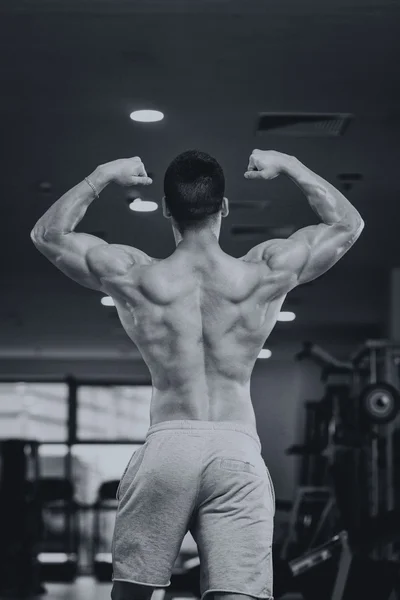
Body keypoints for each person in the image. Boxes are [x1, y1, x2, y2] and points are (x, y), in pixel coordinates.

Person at [31, 149, 364, 600]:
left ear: (167, 207)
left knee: (132, 595)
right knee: (236, 594)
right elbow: (347, 225)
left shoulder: (136, 275)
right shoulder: (263, 272)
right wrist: (289, 164)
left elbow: (49, 234)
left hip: (169, 444)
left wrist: (103, 173)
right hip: (236, 447)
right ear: (224, 207)